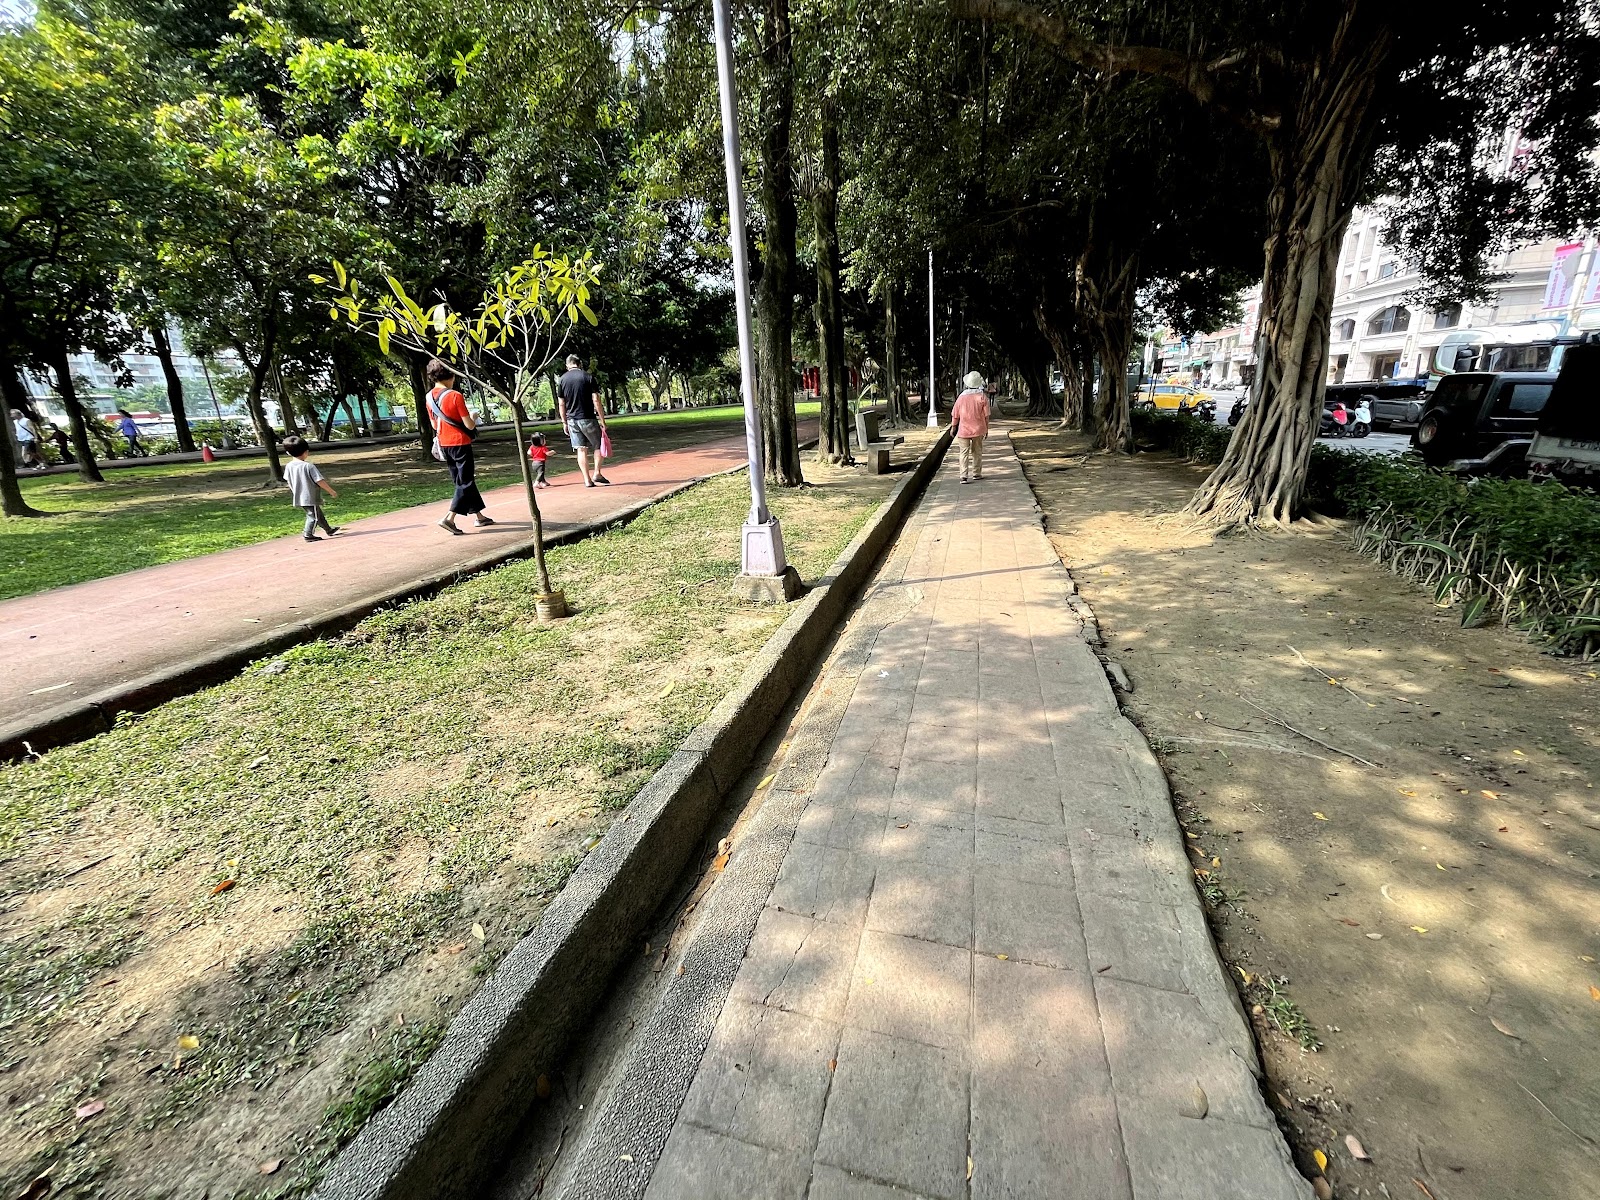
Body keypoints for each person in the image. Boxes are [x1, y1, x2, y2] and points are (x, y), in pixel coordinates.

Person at [425, 359, 495, 534]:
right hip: (460, 443)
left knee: (462, 480)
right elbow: (469, 425)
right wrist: (474, 416)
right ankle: (449, 518)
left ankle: (479, 516)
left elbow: (434, 425)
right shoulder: (455, 395)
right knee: (465, 481)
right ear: (451, 375)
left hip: (444, 444)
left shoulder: (428, 397)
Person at [557, 354, 610, 487]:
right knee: (598, 445)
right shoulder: (588, 377)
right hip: (588, 417)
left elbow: (561, 403)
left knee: (581, 449)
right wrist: (602, 420)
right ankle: (597, 472)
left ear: (567, 365)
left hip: (572, 420)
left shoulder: (562, 380)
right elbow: (596, 400)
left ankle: (587, 480)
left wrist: (564, 422)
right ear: (579, 364)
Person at [281, 435, 339, 542]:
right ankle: (308, 534)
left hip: (299, 496)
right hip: (310, 496)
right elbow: (319, 480)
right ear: (306, 452)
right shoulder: (308, 466)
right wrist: (331, 491)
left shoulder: (289, 466)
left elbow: (288, 480)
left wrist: (295, 491)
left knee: (317, 514)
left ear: (288, 453)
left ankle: (328, 529)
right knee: (313, 516)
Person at [951, 370, 991, 484]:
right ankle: (976, 473)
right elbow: (986, 415)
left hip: (963, 430)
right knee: (977, 452)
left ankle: (963, 476)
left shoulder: (961, 397)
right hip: (978, 429)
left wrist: (953, 427)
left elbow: (955, 414)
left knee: (963, 453)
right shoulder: (982, 397)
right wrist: (986, 429)